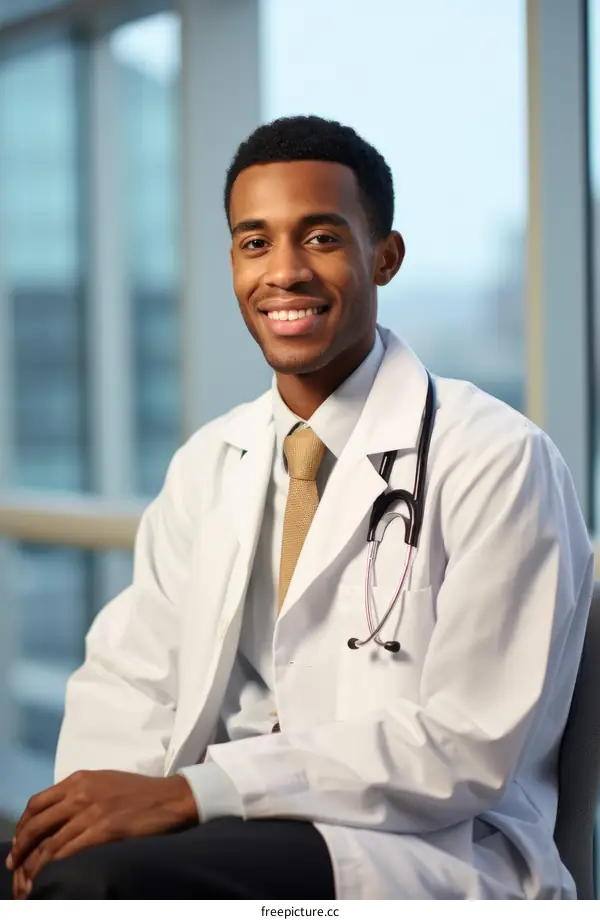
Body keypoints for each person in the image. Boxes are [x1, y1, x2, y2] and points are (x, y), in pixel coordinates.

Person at [0, 115, 593, 900]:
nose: (284, 272)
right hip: (225, 827)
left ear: (384, 257)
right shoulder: (210, 462)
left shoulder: (495, 458)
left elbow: (466, 747)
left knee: (104, 888)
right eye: (255, 242)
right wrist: (86, 809)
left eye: (319, 238)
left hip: (421, 849)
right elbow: (131, 678)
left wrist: (191, 794)